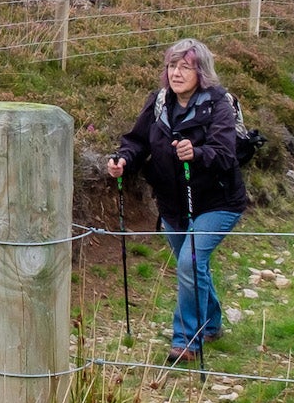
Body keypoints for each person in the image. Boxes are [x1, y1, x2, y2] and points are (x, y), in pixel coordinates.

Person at [105, 37, 248, 364]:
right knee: (193, 263)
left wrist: (195, 154)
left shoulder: (218, 105)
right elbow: (137, 141)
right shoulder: (158, 102)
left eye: (186, 67)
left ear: (202, 72)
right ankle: (210, 323)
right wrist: (123, 161)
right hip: (173, 203)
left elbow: (226, 154)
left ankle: (186, 341)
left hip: (218, 202)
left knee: (189, 262)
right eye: (172, 66)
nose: (177, 73)